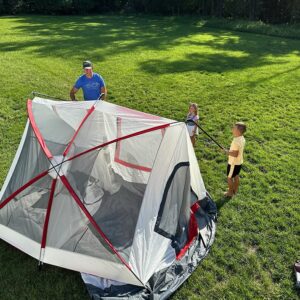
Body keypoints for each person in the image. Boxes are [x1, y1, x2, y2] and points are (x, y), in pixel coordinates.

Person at [224, 122, 246, 197]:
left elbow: (235, 154)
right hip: (239, 162)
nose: (232, 129)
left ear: (238, 131)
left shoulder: (236, 141)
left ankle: (230, 193)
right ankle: (235, 190)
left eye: (234, 128)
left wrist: (227, 152)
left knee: (229, 178)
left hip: (233, 163)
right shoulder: (242, 138)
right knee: (236, 175)